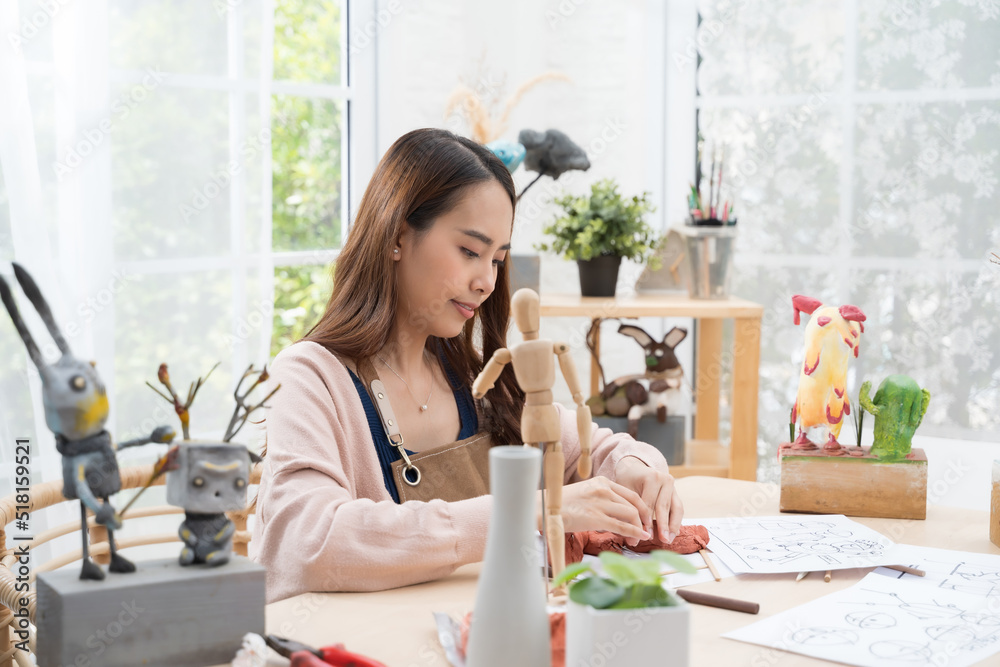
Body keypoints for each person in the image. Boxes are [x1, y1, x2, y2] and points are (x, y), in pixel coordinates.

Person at [250, 128, 683, 603]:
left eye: (497, 259)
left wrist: (639, 469)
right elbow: (310, 543)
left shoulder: (476, 383)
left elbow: (600, 448)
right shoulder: (309, 378)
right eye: (470, 252)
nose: (486, 282)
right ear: (397, 236)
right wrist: (526, 513)